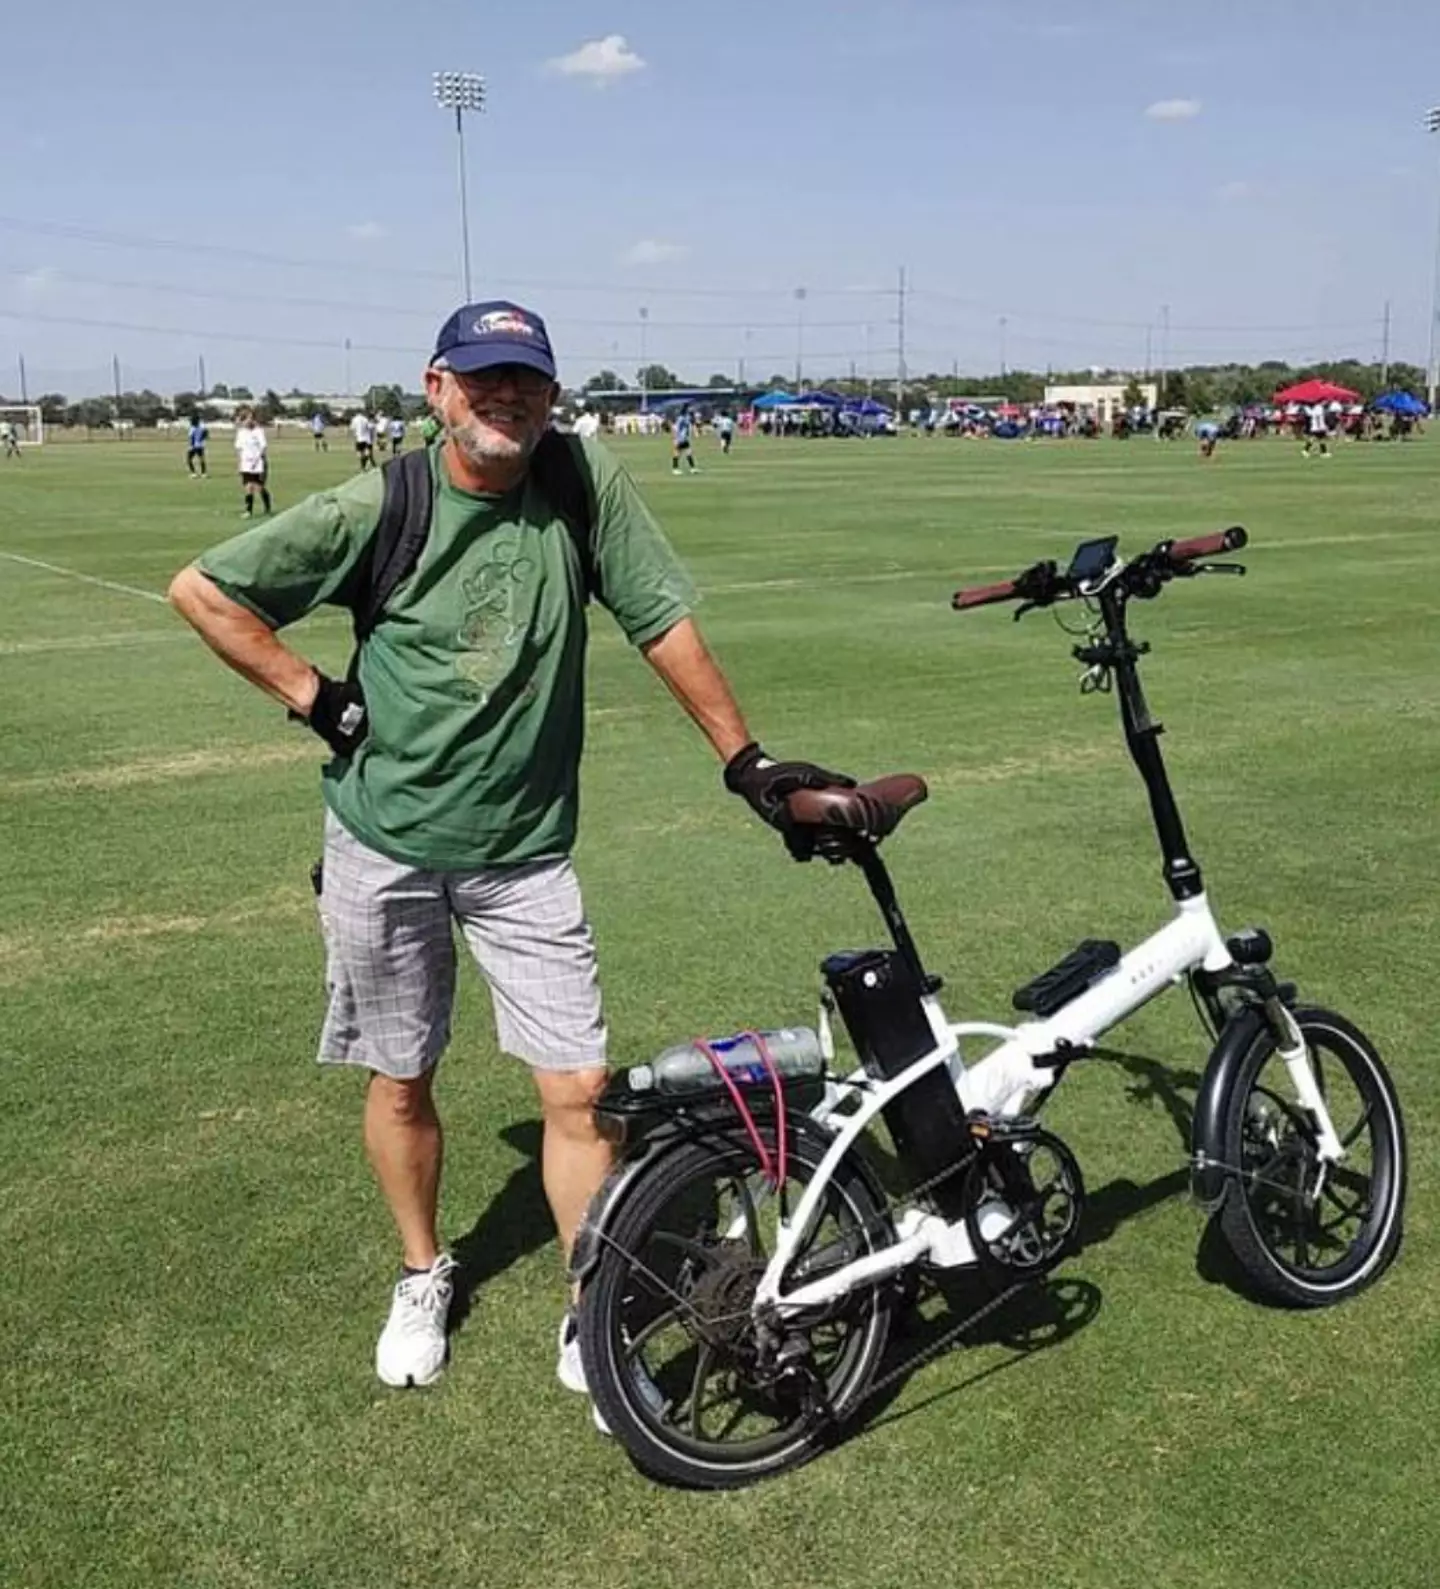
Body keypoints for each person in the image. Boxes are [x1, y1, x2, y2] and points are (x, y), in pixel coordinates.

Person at [165, 297, 846, 1419]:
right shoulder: (384, 498)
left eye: (526, 380)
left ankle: (592, 1298)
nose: (507, 399)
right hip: (384, 845)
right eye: (484, 379)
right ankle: (423, 1270)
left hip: (527, 853)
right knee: (404, 1075)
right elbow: (207, 588)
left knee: (577, 1087)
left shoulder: (579, 485)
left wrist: (746, 760)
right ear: (437, 388)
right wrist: (314, 696)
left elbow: (661, 621)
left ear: (550, 393)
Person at [233, 407, 272, 516]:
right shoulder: (241, 433)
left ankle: (267, 506)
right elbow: (239, 449)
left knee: (259, 487)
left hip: (258, 463)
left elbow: (263, 447)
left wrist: (259, 460)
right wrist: (240, 463)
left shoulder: (258, 431)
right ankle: (248, 511)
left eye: (251, 418)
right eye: (246, 419)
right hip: (246, 463)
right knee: (248, 487)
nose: (249, 421)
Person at [671, 407, 698, 474]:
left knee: (689, 452)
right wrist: (675, 439)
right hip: (680, 438)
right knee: (678, 453)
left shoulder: (684, 418)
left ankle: (692, 468)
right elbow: (676, 429)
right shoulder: (681, 419)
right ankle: (675, 469)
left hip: (684, 438)